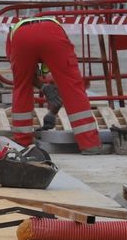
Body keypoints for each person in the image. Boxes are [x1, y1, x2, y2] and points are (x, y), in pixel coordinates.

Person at [7, 17, 105, 155]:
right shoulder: (53, 28)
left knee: (21, 87)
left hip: (22, 37)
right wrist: (46, 89)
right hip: (52, 33)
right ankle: (90, 144)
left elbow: (24, 78)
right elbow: (64, 83)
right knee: (72, 86)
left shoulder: (13, 35)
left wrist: (49, 102)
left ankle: (22, 142)